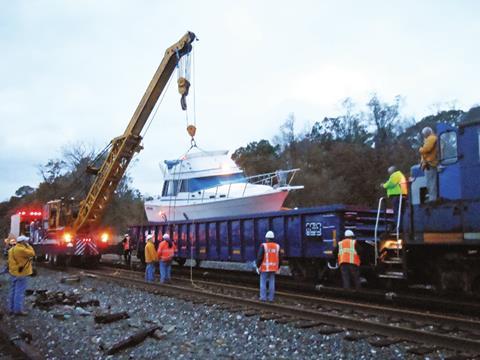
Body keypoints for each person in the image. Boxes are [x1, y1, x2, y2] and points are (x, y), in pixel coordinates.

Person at [8, 235, 35, 315]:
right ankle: (18, 310)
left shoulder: (12, 249)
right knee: (19, 292)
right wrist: (29, 246)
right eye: (26, 241)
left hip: (13, 272)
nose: (27, 242)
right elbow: (32, 253)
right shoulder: (22, 250)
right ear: (22, 242)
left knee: (13, 291)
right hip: (21, 273)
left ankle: (11, 309)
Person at [256, 230, 281, 302]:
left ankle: (263, 297)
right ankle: (271, 298)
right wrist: (278, 267)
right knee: (272, 283)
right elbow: (280, 258)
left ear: (266, 238)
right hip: (273, 268)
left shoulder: (264, 246)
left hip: (265, 268)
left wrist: (258, 266)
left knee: (263, 282)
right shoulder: (277, 246)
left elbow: (259, 257)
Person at [381, 166, 408, 231]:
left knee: (397, 212)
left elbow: (391, 184)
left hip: (397, 196)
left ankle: (398, 227)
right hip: (401, 196)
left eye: (389, 172)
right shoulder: (400, 175)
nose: (389, 174)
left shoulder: (395, 175)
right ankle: (399, 226)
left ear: (392, 171)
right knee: (400, 212)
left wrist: (383, 185)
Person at [419, 126, 438, 202]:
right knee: (429, 183)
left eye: (424, 134)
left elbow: (426, 149)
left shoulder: (431, 138)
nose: (424, 135)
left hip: (430, 164)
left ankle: (433, 199)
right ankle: (431, 197)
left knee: (431, 183)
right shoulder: (429, 139)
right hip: (428, 164)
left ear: (427, 133)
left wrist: (420, 149)